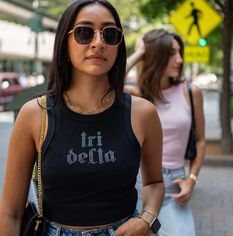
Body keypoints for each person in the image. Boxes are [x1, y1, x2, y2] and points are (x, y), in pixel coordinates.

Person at [0, 1, 164, 235]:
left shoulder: (143, 113)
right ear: (64, 43)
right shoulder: (34, 114)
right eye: (84, 32)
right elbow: (10, 213)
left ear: (119, 46)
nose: (98, 42)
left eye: (110, 34)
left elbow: (153, 183)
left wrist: (146, 218)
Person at [125, 29, 206, 236]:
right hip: (139, 184)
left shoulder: (190, 92)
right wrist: (140, 52)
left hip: (174, 186)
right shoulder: (137, 94)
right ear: (155, 56)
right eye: (171, 53)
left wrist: (192, 179)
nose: (179, 60)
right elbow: (107, 82)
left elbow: (200, 141)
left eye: (179, 53)